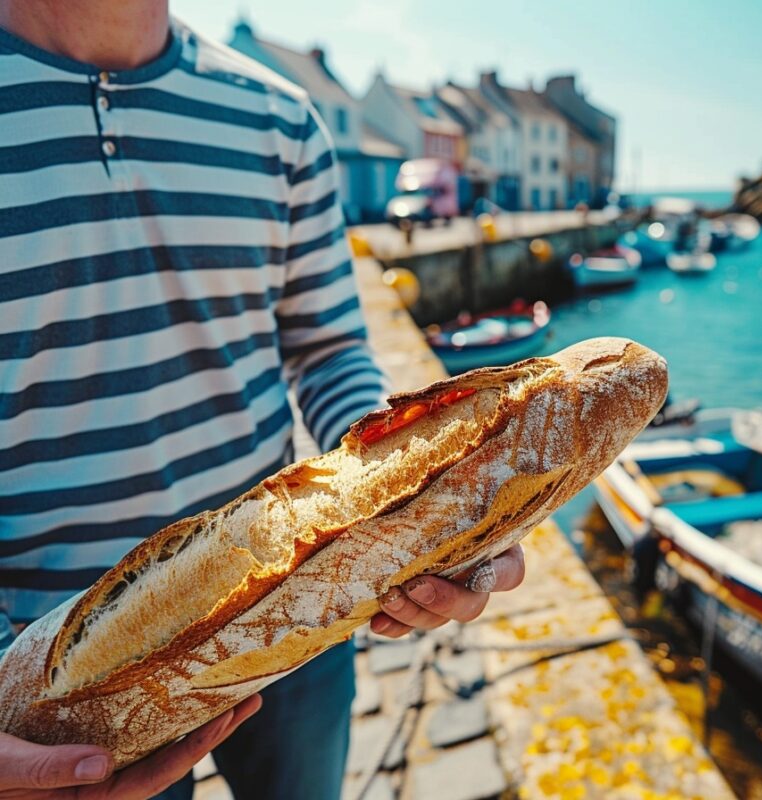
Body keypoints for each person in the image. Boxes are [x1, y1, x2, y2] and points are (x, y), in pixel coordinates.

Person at [0, 2, 525, 798]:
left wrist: (419, 502)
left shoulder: (279, 117)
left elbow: (325, 346)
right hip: (52, 674)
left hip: (292, 609)